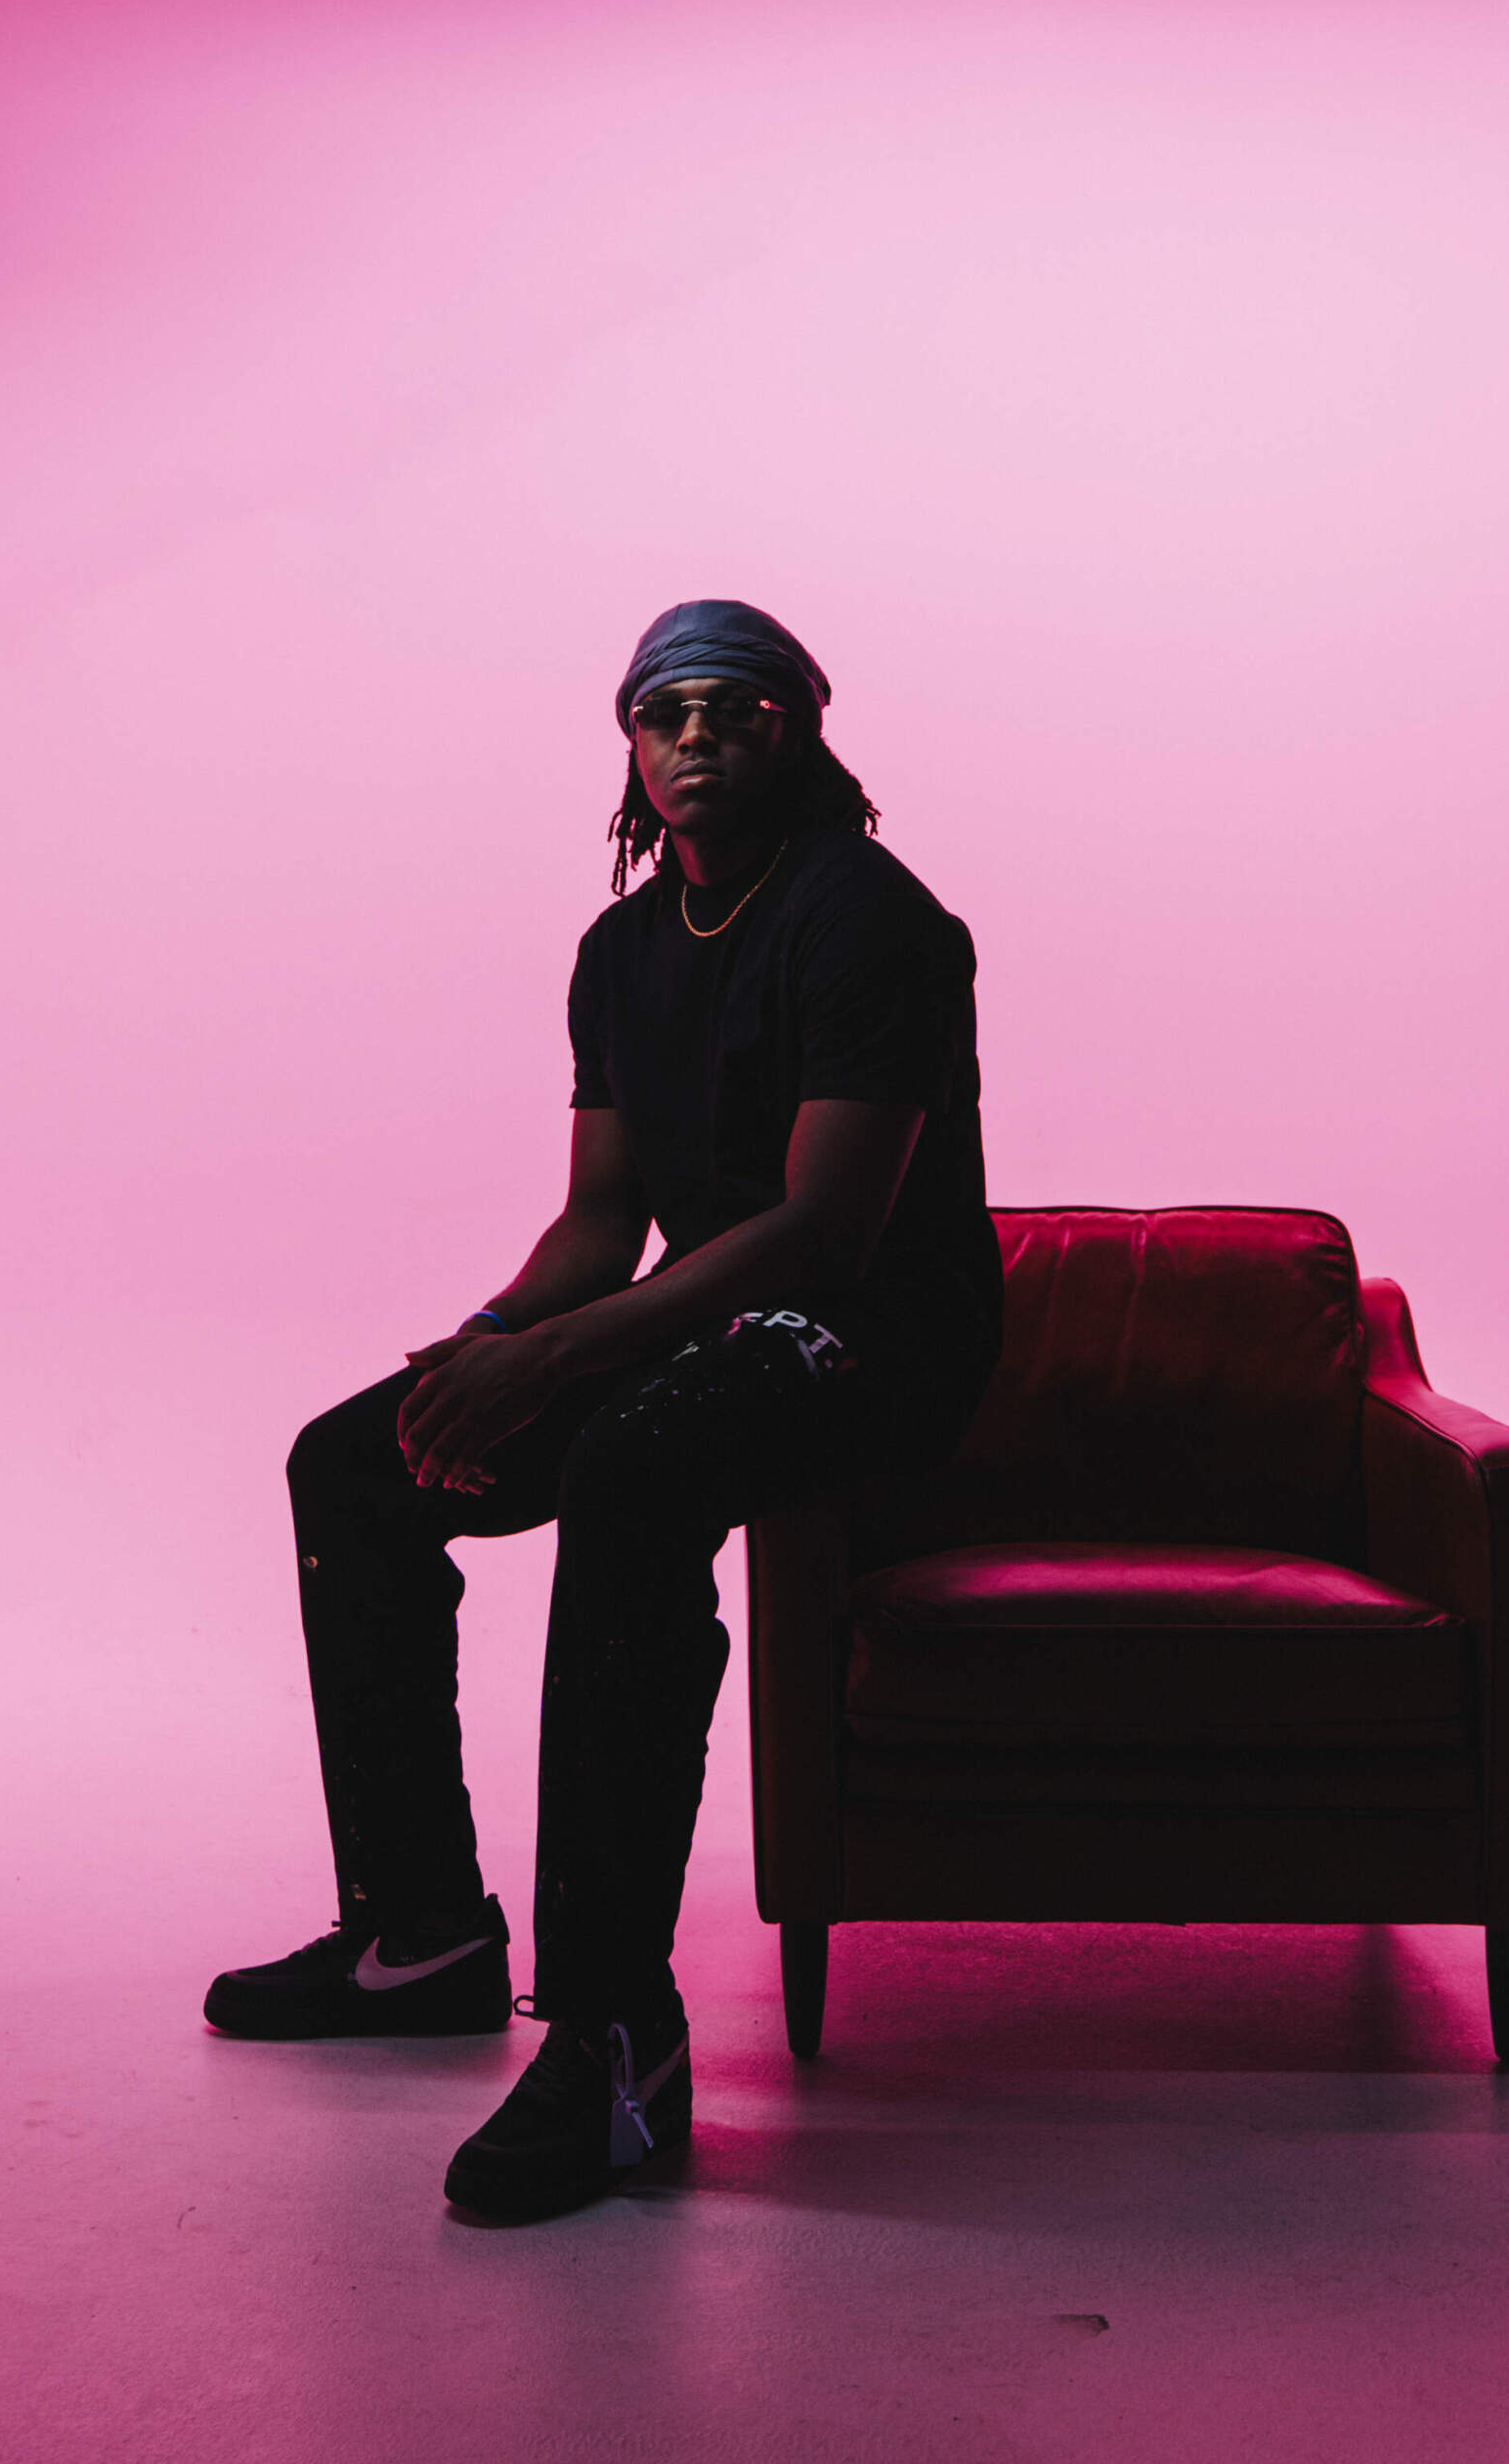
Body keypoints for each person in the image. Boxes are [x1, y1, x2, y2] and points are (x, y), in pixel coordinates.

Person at [203, 598, 1002, 2220]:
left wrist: (563, 1362)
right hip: (698, 1323)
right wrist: (486, 1346)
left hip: (871, 1344)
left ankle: (616, 2033)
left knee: (638, 1468)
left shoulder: (874, 921)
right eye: (664, 713)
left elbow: (821, 1233)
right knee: (353, 1462)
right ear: (631, 747)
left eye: (736, 708)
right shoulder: (621, 953)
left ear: (798, 731)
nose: (697, 737)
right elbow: (600, 1220)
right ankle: (422, 1933)